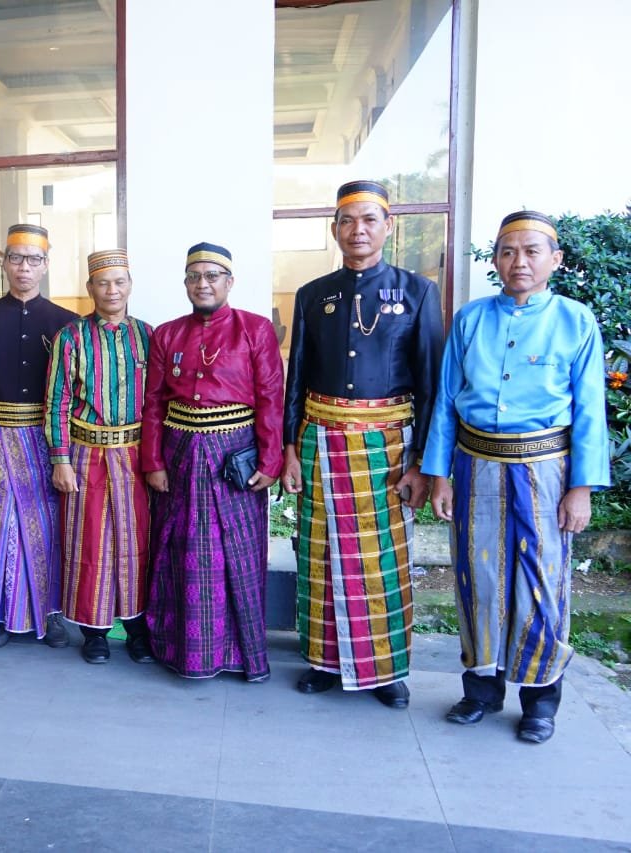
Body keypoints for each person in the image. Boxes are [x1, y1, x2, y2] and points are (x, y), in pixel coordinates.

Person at [425, 210, 610, 744]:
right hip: (475, 466)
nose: (519, 262)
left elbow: (590, 410)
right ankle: (481, 691)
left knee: (541, 583)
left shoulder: (576, 321)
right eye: (508, 251)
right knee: (478, 578)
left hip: (546, 472)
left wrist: (581, 488)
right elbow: (446, 401)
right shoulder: (471, 319)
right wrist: (439, 475)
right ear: (496, 260)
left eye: (532, 251)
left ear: (555, 259)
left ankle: (540, 702)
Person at [280, 180, 444, 706]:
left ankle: (385, 670)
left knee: (380, 559)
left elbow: (431, 385)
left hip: (387, 449)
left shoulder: (417, 292)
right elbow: (296, 378)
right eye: (347, 221)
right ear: (334, 229)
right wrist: (288, 449)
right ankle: (323, 661)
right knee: (321, 554)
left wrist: (423, 463)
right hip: (320, 442)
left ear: (388, 227)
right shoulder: (313, 295)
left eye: (369, 219)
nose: (358, 230)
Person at [142, 242, 283, 680]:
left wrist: (271, 460)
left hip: (235, 458)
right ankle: (182, 651)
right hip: (179, 454)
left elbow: (271, 398)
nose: (202, 284)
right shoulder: (167, 334)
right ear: (185, 283)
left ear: (229, 281)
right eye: (194, 276)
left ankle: (241, 656)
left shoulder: (255, 329)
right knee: (181, 552)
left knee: (236, 554)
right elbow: (153, 403)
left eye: (212, 276)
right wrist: (153, 461)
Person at [0, 224, 77, 649]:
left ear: (45, 265)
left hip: (45, 442)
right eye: (15, 258)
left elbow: (72, 395)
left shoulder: (66, 324)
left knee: (46, 527)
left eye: (33, 259)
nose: (24, 267)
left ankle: (50, 616)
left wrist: (65, 454)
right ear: (5, 264)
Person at [44, 249, 154, 665]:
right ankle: (94, 632)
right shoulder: (70, 337)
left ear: (131, 285)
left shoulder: (148, 336)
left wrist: (158, 459)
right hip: (85, 454)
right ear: (90, 288)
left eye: (119, 282)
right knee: (90, 541)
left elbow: (158, 402)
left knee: (136, 540)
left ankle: (138, 628)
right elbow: (56, 401)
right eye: (103, 283)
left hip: (135, 455)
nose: (112, 290)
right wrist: (60, 459)